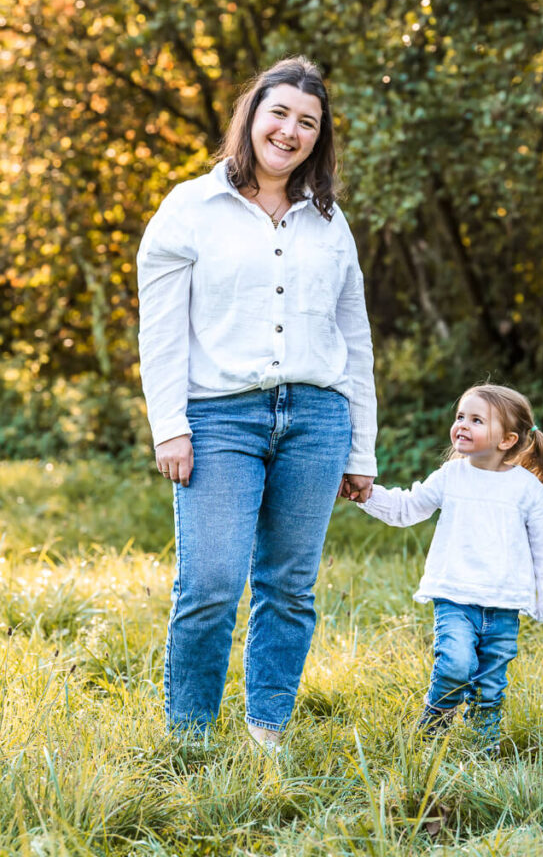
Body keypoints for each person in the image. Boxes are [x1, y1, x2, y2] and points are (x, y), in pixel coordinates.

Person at [137, 56, 376, 749]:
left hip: (316, 419)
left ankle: (265, 732)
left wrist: (359, 448)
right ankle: (190, 740)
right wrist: (169, 428)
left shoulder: (329, 222)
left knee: (289, 587)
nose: (290, 130)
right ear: (250, 117)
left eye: (307, 121)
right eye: (279, 113)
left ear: (318, 136)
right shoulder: (189, 207)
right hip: (219, 419)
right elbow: (160, 330)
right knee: (209, 582)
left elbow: (353, 338)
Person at [357, 383, 543, 752]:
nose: (462, 425)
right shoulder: (451, 476)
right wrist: (367, 495)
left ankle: (480, 750)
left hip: (503, 605)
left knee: (490, 684)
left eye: (476, 420)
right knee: (455, 665)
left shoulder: (527, 490)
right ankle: (433, 725)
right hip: (454, 596)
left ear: (507, 439)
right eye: (460, 417)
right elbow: (407, 508)